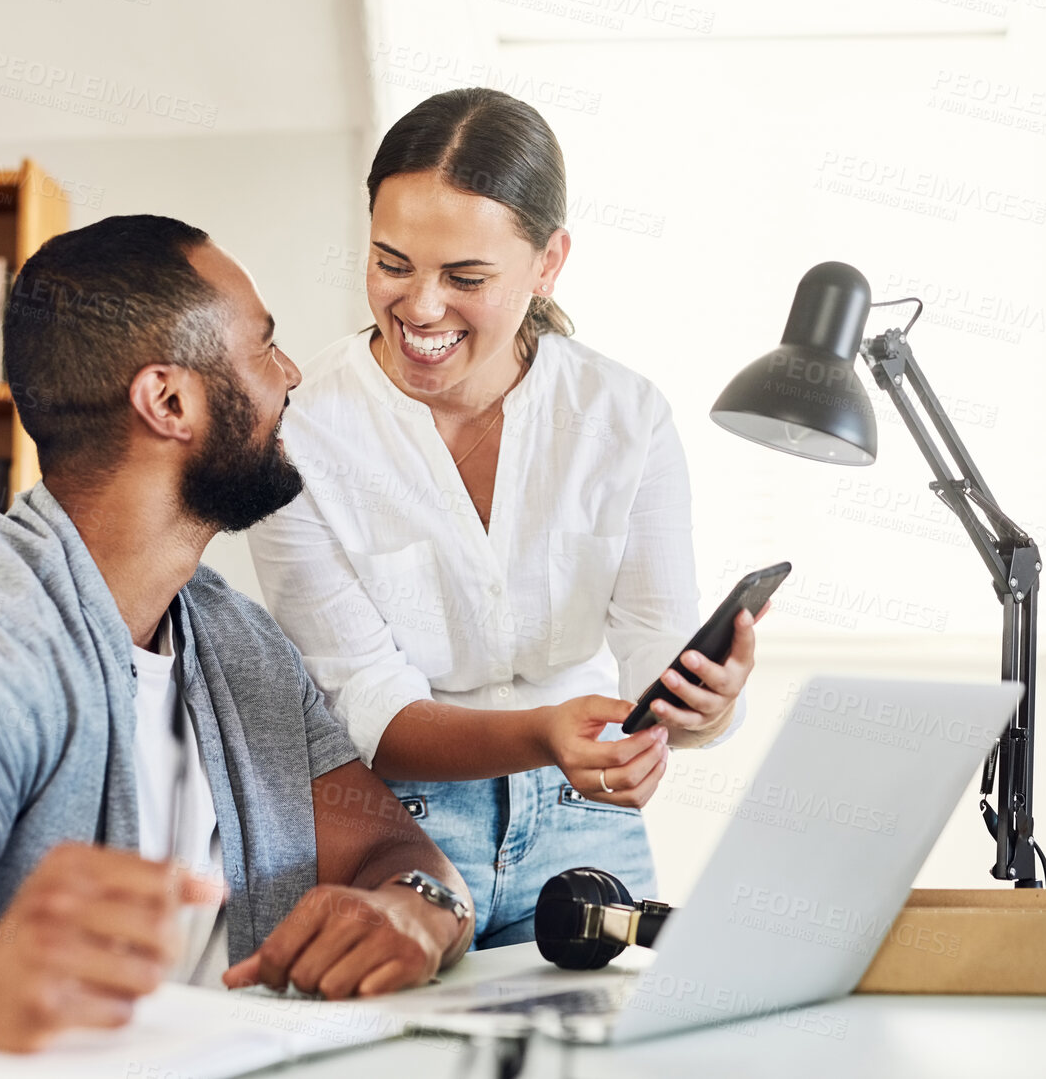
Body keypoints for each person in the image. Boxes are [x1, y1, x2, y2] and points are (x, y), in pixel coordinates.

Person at [0, 215, 475, 1056]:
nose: (291, 374)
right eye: (264, 348)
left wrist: (412, 908)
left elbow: (389, 845)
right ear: (169, 400)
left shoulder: (235, 641)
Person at [247, 88, 761, 948]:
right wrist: (544, 733)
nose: (418, 307)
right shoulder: (299, 432)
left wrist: (702, 709)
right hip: (393, 831)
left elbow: (655, 651)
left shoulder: (621, 416)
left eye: (465, 277)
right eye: (391, 262)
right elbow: (367, 705)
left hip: (584, 823)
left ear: (548, 261)